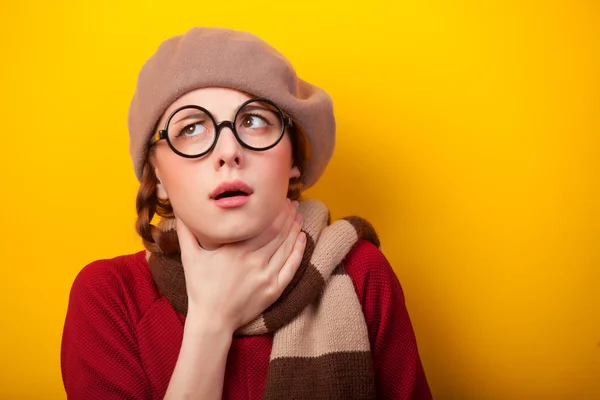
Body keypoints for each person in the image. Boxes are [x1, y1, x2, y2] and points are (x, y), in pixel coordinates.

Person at [60, 27, 432, 400]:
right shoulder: (109, 297)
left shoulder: (362, 274)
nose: (228, 151)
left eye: (254, 121)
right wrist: (212, 322)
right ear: (157, 178)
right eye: (191, 128)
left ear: (293, 161)